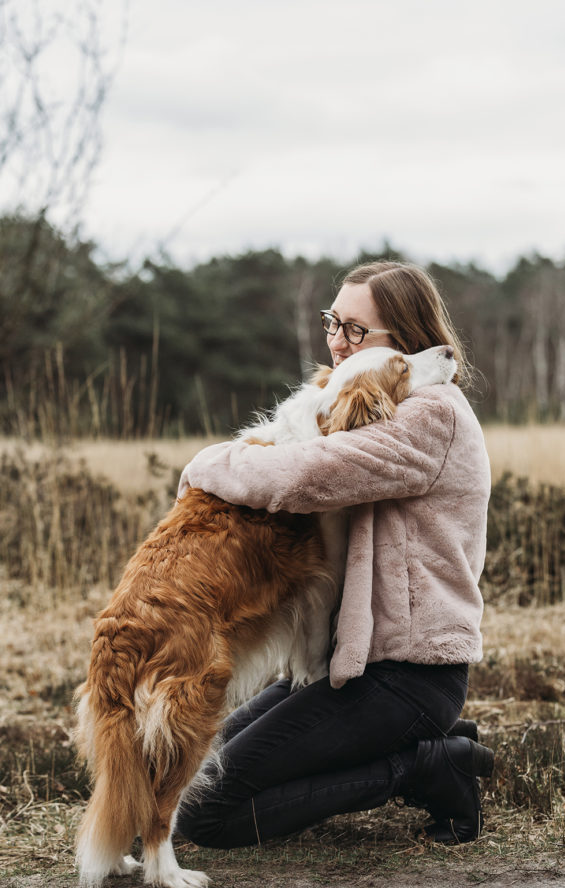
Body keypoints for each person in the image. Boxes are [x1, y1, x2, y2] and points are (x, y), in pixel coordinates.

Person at [175, 260, 493, 849]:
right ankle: (400, 748)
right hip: (345, 664)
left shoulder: (430, 415)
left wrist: (207, 466)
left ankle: (426, 765)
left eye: (354, 330)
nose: (336, 343)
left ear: (403, 338)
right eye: (333, 323)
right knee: (196, 772)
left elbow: (309, 474)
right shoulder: (368, 398)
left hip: (408, 675)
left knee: (207, 814)